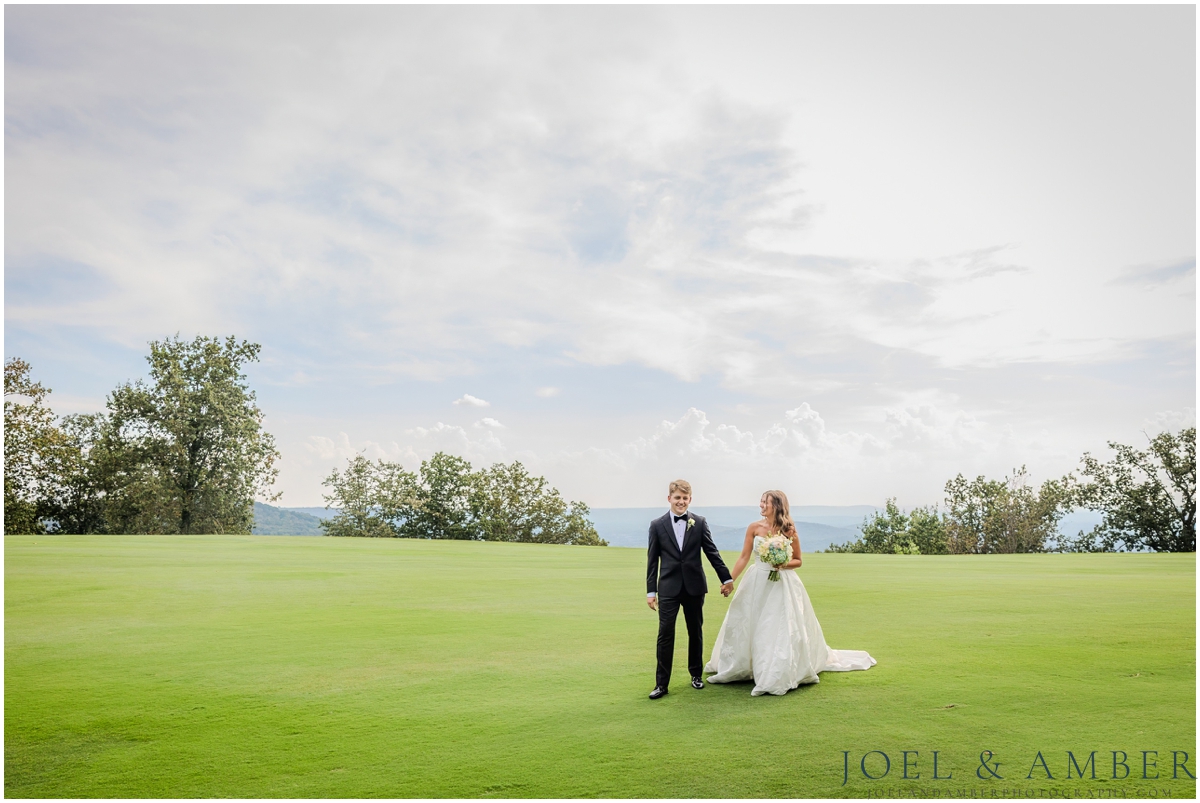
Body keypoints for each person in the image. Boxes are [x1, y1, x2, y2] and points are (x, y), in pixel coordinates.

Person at [704, 489, 876, 696]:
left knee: (775, 627)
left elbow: (798, 560)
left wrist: (781, 563)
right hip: (756, 581)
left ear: (776, 505)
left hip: (781, 584)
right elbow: (743, 557)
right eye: (760, 501)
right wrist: (729, 580)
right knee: (748, 622)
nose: (761, 505)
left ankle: (773, 671)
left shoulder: (788, 529)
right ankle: (744, 665)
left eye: (765, 502)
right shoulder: (753, 528)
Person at [645, 479, 733, 700]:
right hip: (668, 588)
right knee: (665, 634)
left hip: (694, 587)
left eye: (685, 498)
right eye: (677, 498)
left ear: (690, 499)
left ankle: (696, 676)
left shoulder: (700, 522)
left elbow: (712, 553)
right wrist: (651, 592)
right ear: (669, 499)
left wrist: (726, 578)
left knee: (695, 632)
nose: (681, 502)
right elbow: (652, 561)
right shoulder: (657, 525)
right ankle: (661, 684)